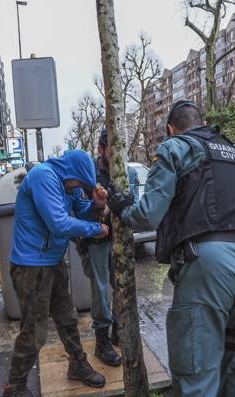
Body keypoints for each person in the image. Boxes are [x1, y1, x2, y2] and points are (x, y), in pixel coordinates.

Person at [107, 100, 235, 397]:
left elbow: (148, 215)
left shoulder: (175, 147)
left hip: (211, 265)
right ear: (202, 122)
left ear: (171, 129)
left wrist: (121, 207)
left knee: (197, 372)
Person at [3, 150, 110, 397]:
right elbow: (59, 224)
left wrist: (97, 204)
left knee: (67, 317)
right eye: (78, 183)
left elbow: (82, 210)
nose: (77, 189)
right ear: (72, 173)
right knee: (34, 330)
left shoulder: (67, 184)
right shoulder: (44, 176)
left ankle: (77, 363)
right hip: (31, 266)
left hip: (53, 262)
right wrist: (95, 229)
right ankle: (15, 385)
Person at [75, 128, 140, 368]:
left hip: (119, 240)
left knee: (121, 288)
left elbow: (136, 210)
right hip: (95, 242)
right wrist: (98, 206)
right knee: (100, 292)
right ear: (100, 149)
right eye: (110, 154)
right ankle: (101, 342)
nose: (114, 161)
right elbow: (79, 213)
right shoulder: (87, 174)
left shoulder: (128, 173)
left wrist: (127, 202)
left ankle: (117, 331)